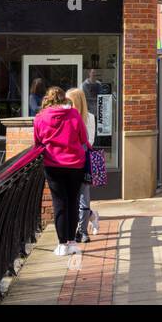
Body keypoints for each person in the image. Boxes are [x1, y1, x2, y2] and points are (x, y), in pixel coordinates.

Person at [32, 86, 89, 256]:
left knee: (59, 204)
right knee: (73, 202)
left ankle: (62, 244)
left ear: (47, 99)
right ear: (64, 98)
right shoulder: (74, 114)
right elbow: (83, 139)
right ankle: (72, 242)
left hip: (53, 164)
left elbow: (37, 143)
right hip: (75, 164)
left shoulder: (40, 118)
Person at [65, 87, 100, 243]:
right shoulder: (65, 116)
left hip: (83, 159)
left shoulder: (89, 118)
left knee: (83, 196)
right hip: (68, 161)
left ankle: (82, 231)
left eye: (68, 101)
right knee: (72, 198)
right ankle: (91, 216)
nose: (65, 104)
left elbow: (90, 141)